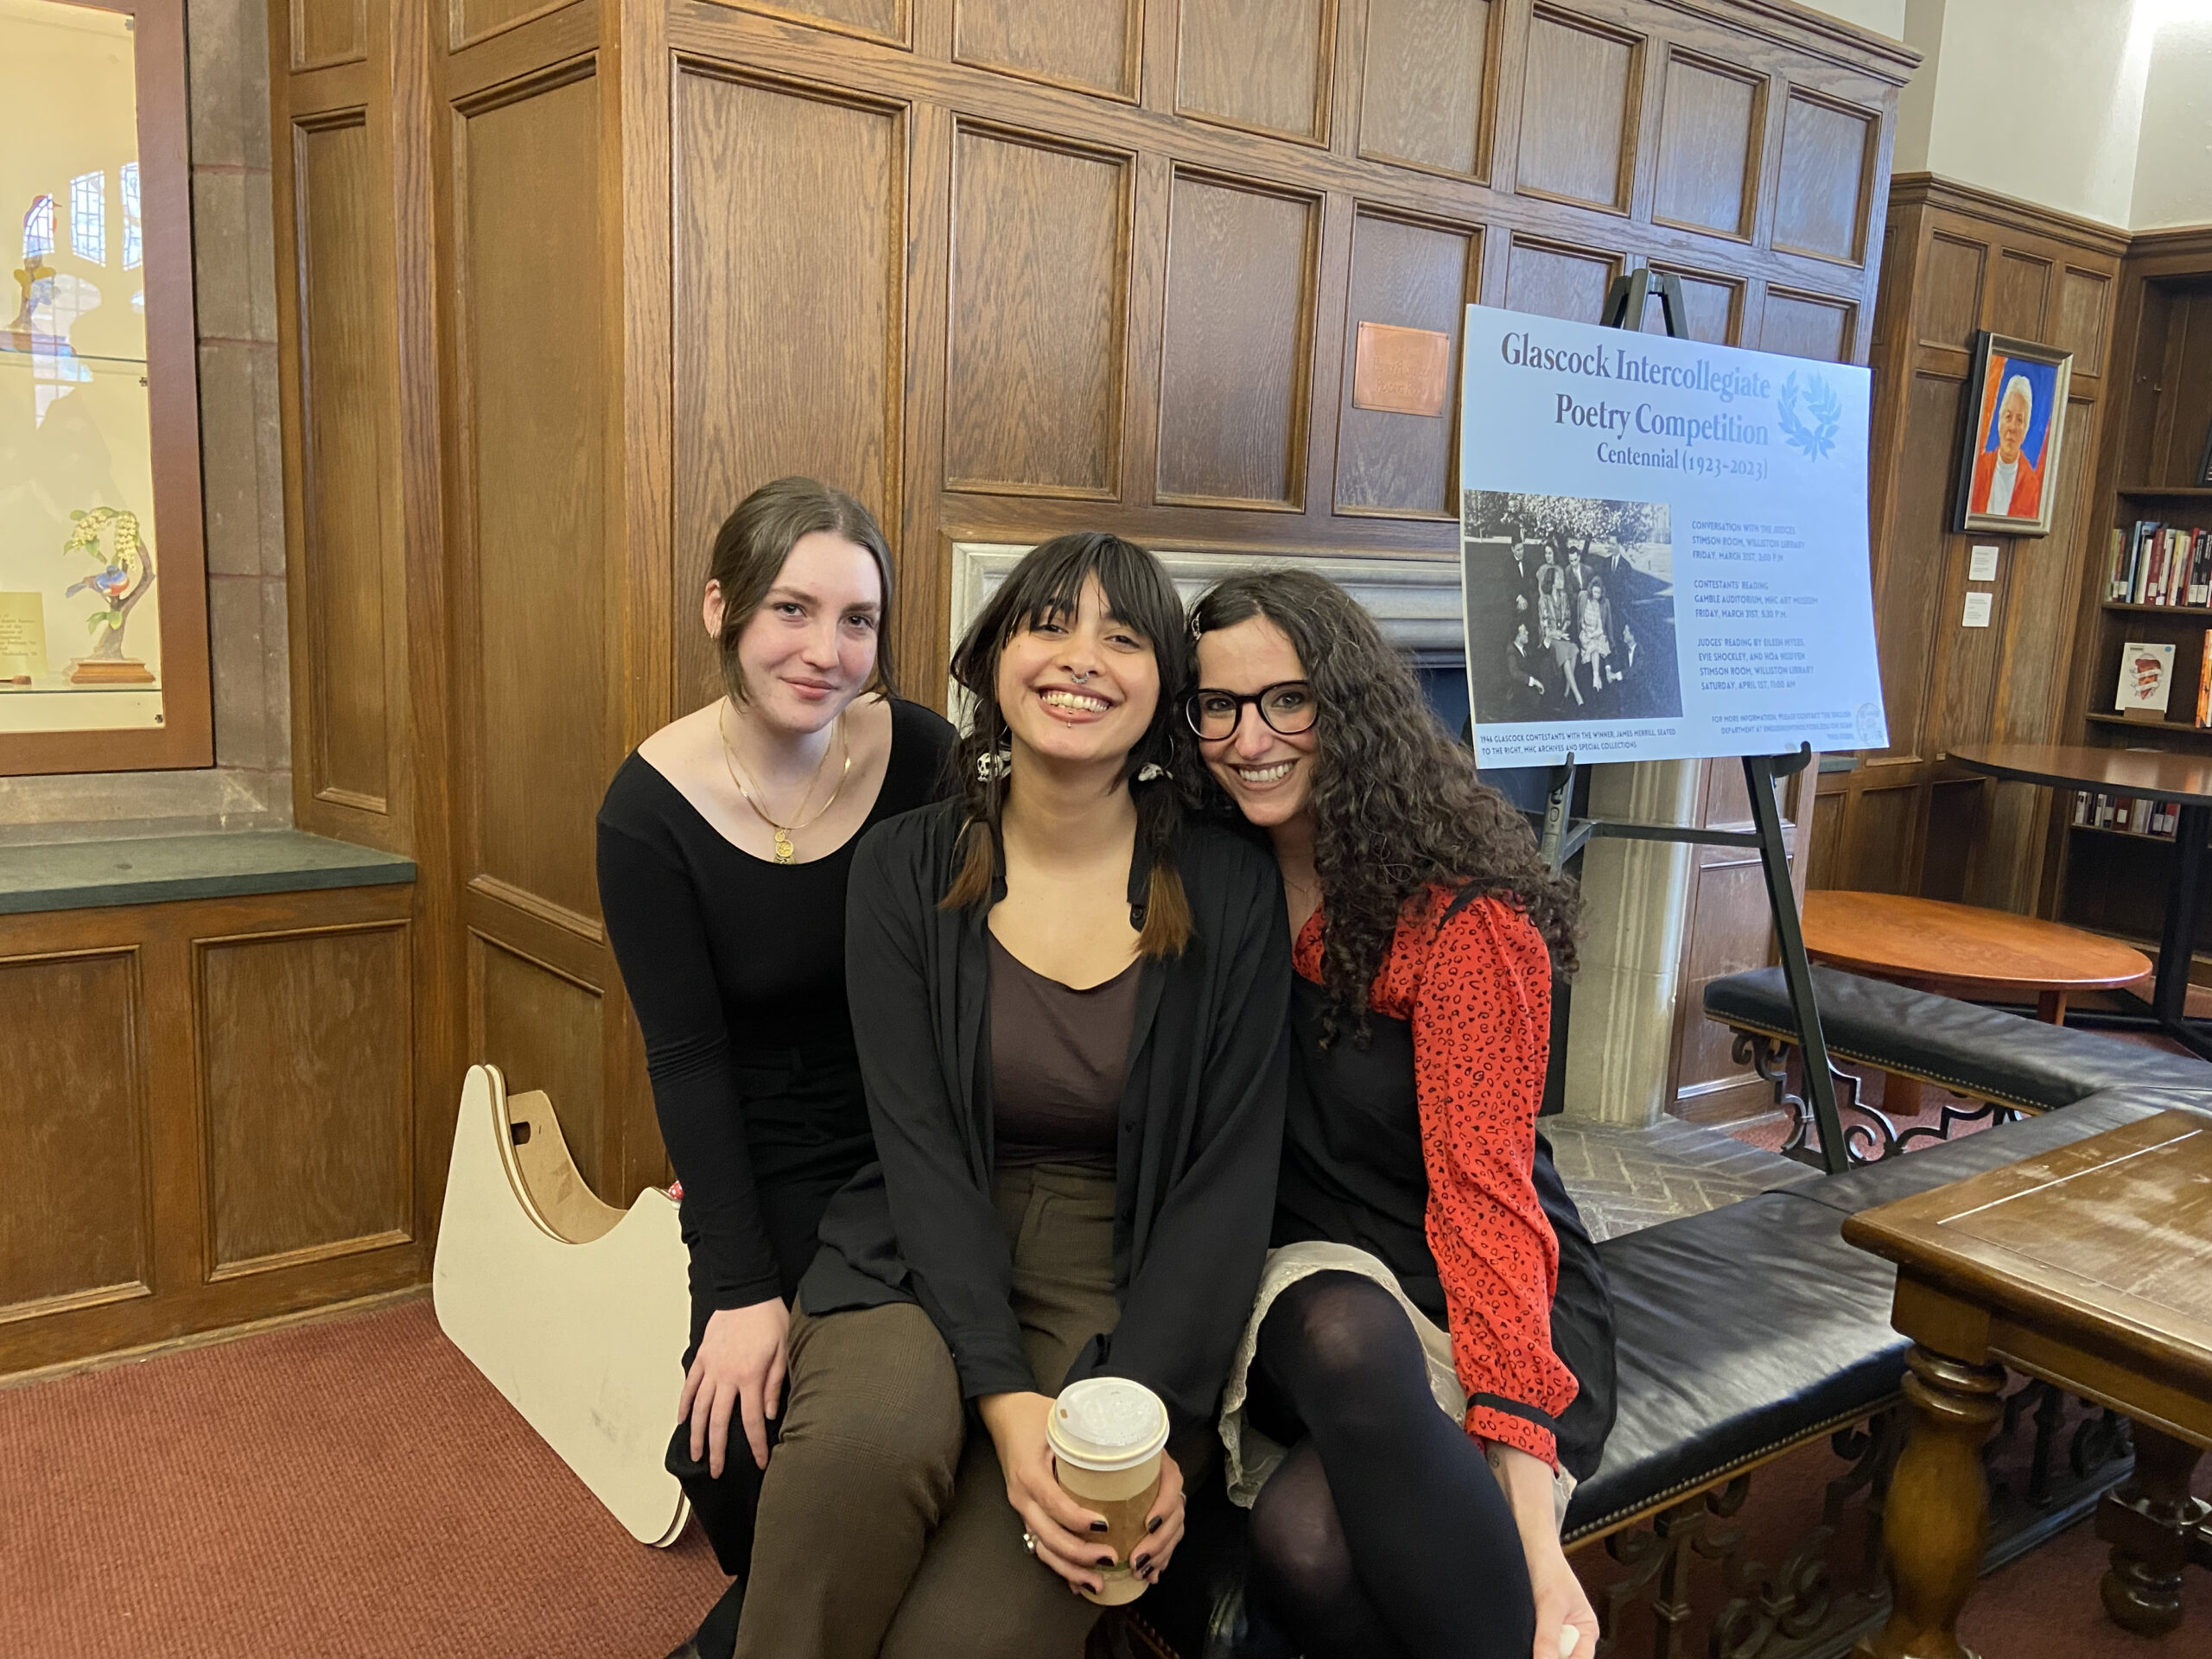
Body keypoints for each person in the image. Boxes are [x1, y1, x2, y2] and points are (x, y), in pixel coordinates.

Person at [730, 532, 1294, 1659]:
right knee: (865, 1444)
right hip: (920, 1235)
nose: (1082, 660)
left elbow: (1225, 1189)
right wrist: (1003, 1398)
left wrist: (1151, 1428)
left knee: (967, 1637)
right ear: (993, 659)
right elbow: (921, 1149)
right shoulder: (902, 868)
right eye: (1049, 625)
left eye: (1123, 637)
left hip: (1119, 1276)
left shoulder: (1229, 888)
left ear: (1163, 692)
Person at [1188, 567, 1615, 1659]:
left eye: (1288, 700)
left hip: (1474, 1282)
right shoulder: (1203, 884)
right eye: (1219, 707)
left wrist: (1533, 1532)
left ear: (1350, 707)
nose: (1251, 738)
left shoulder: (1459, 917)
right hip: (1312, 1289)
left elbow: (1487, 1201)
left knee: (1308, 1539)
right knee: (1335, 1323)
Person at [594, 477, 955, 1659]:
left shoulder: (922, 758)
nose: (827, 651)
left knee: (863, 1432)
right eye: (792, 611)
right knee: (737, 1456)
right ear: (721, 611)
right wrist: (744, 1290)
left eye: (857, 620)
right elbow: (688, 1060)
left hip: (917, 1136)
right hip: (767, 1155)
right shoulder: (647, 812)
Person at [1968, 372, 2042, 518]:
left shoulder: (2031, 485)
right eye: (2008, 417)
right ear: (2000, 421)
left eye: (2020, 420)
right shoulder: (1979, 469)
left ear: (2025, 430)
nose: (2012, 427)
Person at [1537, 564, 1584, 709]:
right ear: (1552, 582)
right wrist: (1557, 634)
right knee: (1565, 653)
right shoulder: (1543, 601)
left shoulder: (1563, 596)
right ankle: (1577, 696)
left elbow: (1568, 618)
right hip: (1549, 639)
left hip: (1561, 636)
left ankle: (1566, 693)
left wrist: (1563, 630)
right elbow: (1545, 628)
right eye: (1558, 579)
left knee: (1574, 649)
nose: (1561, 581)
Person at [1578, 575, 1617, 690]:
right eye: (1594, 592)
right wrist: (1585, 629)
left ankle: (1596, 678)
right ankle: (1597, 677)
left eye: (1599, 593)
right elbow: (1581, 621)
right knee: (1593, 647)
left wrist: (1611, 640)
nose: (1596, 595)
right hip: (1585, 635)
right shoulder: (1585, 600)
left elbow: (1605, 626)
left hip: (1597, 635)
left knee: (1595, 647)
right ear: (1591, 590)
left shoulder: (1604, 604)